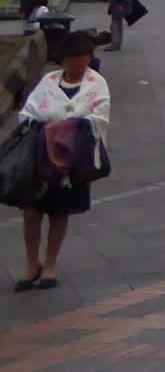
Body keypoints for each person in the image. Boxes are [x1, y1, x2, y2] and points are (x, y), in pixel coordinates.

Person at [16, 29, 111, 291]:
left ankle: (50, 263)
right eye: (72, 58)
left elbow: (99, 117)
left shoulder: (96, 83)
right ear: (64, 59)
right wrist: (47, 127)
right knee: (31, 212)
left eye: (82, 57)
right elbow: (28, 112)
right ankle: (31, 263)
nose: (77, 63)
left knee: (59, 212)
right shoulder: (49, 81)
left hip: (72, 160)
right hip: (40, 156)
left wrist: (68, 126)